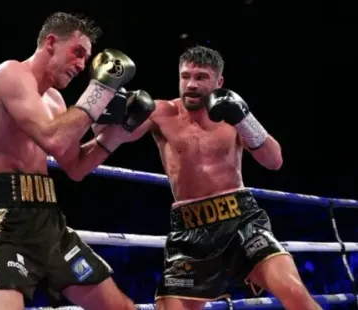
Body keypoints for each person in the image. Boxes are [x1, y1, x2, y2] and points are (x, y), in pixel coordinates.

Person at [91, 46, 322, 310]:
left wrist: (244, 119)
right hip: (189, 231)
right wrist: (106, 98)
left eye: (201, 77)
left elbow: (274, 160)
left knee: (294, 292)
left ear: (218, 82)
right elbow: (104, 134)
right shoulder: (161, 113)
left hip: (242, 221)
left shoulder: (232, 114)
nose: (191, 84)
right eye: (185, 76)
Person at [0, 12, 155, 310]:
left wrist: (116, 135)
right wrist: (102, 88)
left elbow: (76, 167)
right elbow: (53, 138)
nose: (82, 65)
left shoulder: (55, 101)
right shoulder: (11, 74)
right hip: (6, 221)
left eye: (87, 58)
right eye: (78, 52)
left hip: (50, 222)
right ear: (51, 43)